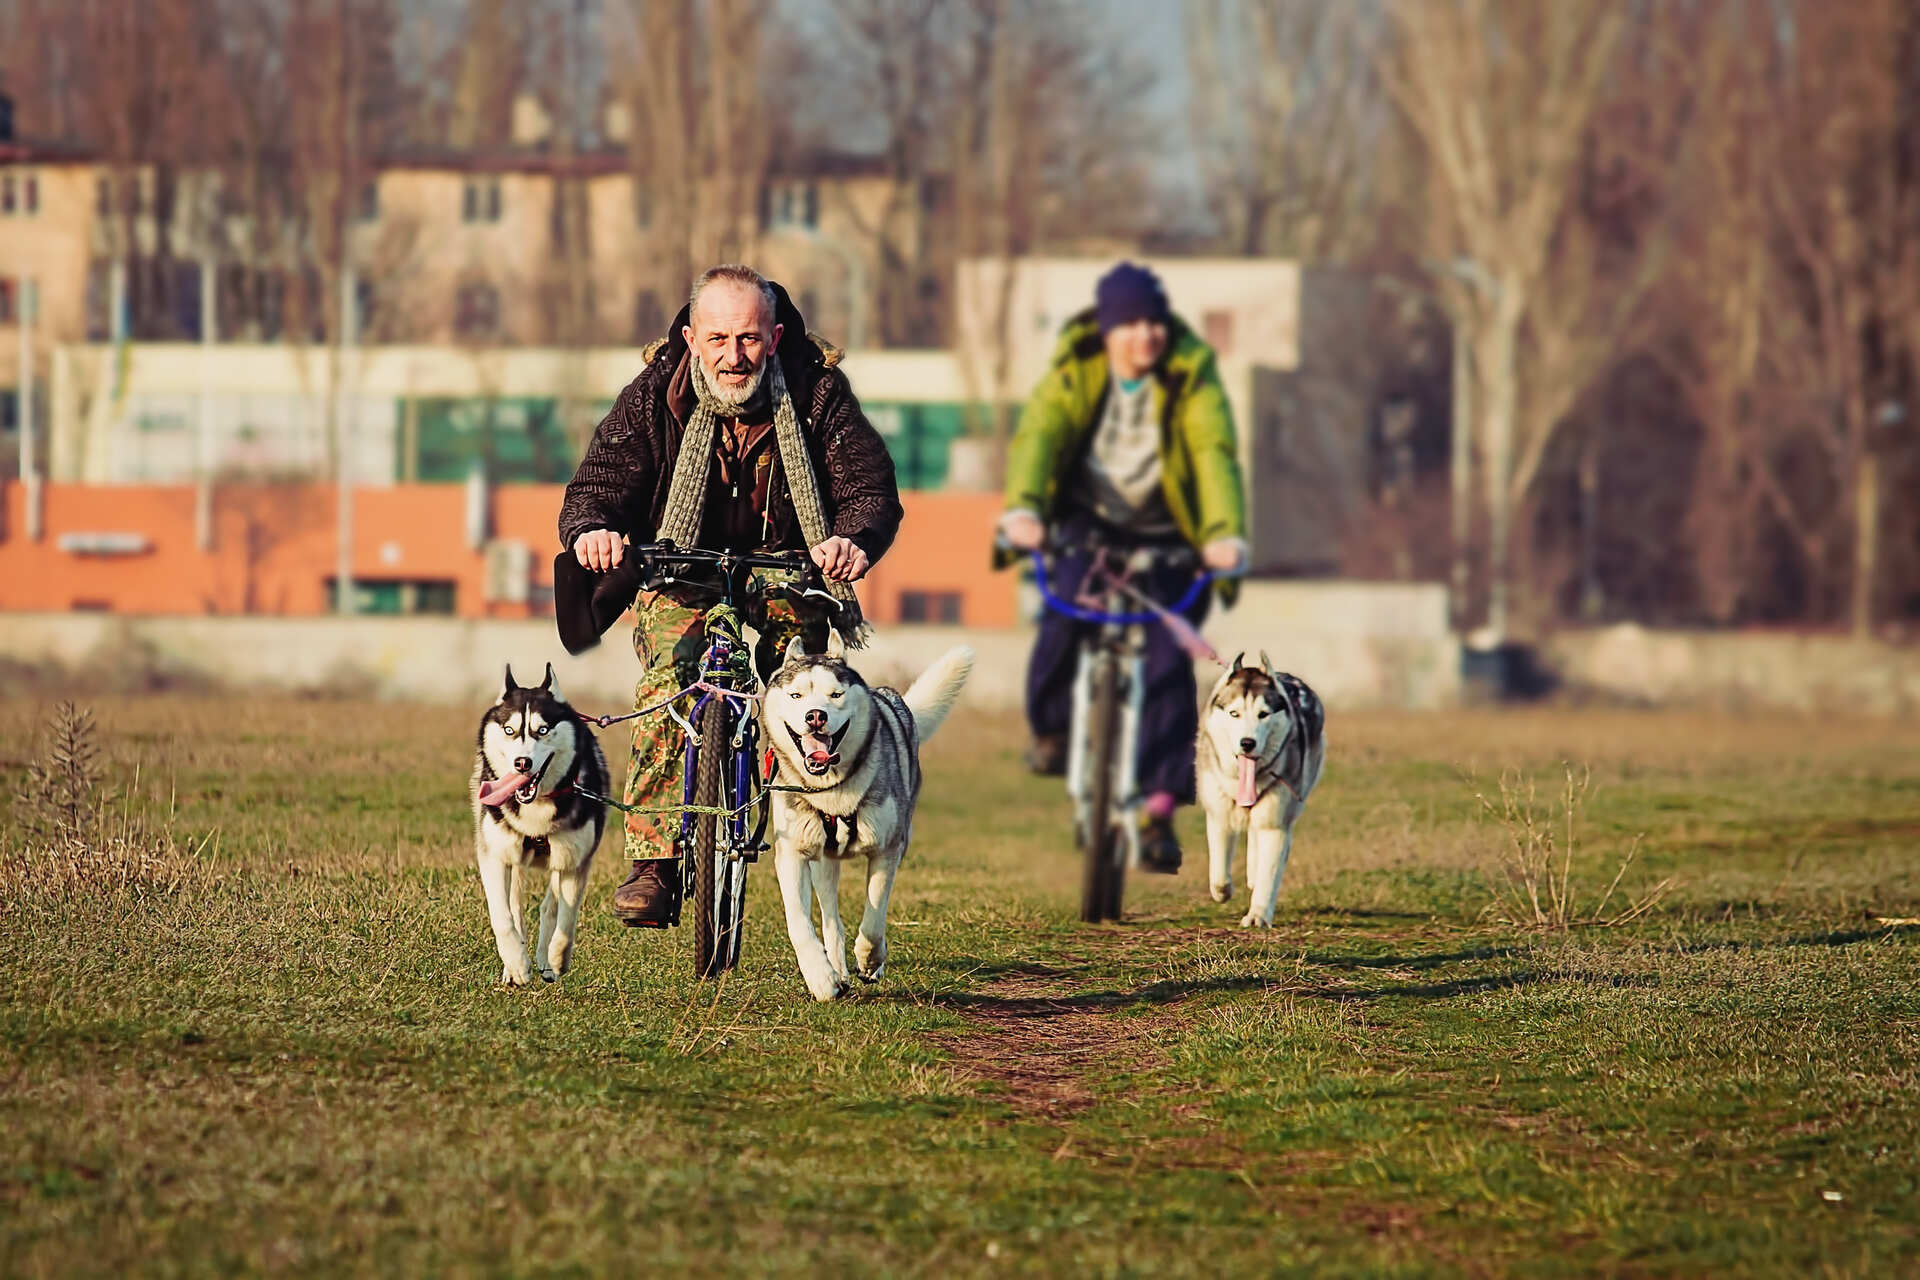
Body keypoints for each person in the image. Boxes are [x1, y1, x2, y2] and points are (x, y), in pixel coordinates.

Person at [558, 264, 903, 927]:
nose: (732, 355)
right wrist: (592, 529)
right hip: (677, 566)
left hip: (784, 566)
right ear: (691, 338)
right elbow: (601, 478)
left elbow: (866, 485)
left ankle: (803, 812)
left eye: (746, 338)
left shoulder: (816, 392)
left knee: (803, 682)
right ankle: (655, 865)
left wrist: (852, 539)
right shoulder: (655, 393)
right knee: (668, 680)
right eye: (716, 339)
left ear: (773, 338)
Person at [997, 261, 1246, 874]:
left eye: (1153, 322)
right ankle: (1051, 733)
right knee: (1063, 619)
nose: (1146, 336)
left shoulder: (1189, 372)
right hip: (1087, 520)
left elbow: (1212, 453)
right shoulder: (1077, 367)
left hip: (1167, 525)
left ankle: (1159, 807)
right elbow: (1040, 437)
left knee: (1167, 661)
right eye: (1130, 324)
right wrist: (1025, 509)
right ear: (1107, 330)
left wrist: (1221, 537)